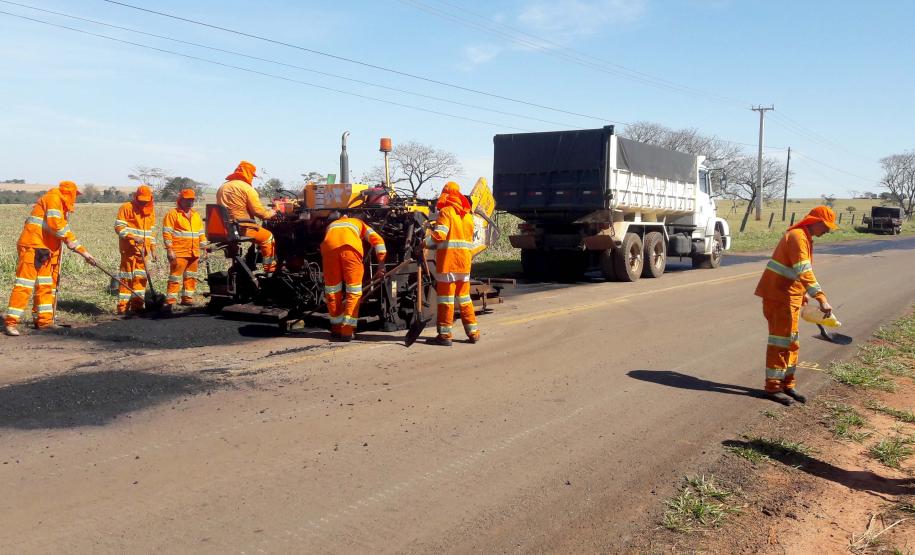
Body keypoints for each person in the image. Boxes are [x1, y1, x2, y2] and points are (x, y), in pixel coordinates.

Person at [754, 205, 837, 405]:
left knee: (791, 343)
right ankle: (772, 388)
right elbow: (803, 270)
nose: (826, 231)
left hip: (790, 297)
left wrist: (802, 295)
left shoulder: (805, 238)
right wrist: (821, 297)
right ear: (815, 222)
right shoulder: (798, 237)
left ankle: (787, 384)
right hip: (779, 298)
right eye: (825, 227)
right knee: (780, 343)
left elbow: (796, 272)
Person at [3, 181, 97, 335]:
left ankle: (44, 321)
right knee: (24, 285)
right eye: (75, 195)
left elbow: (63, 230)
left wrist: (83, 251)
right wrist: (75, 246)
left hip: (45, 249)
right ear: (69, 192)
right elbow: (56, 225)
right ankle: (11, 323)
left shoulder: (61, 205)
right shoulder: (53, 198)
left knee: (46, 285)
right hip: (33, 246)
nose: (75, 199)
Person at [425, 181, 480, 346]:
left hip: (448, 264)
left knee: (446, 300)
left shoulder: (446, 212)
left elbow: (439, 235)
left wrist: (424, 242)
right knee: (465, 299)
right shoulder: (468, 216)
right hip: (464, 265)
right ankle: (473, 333)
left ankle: (445, 335)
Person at [320, 213, 386, 341]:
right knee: (353, 291)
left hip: (329, 250)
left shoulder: (332, 225)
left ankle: (336, 329)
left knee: (332, 290)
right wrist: (381, 264)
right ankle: (347, 331)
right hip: (350, 250)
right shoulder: (359, 223)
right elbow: (378, 241)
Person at [215, 161, 277, 273]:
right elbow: (259, 212)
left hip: (225, 228)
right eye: (252, 175)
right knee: (268, 237)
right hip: (242, 227)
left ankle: (245, 264)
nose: (252, 178)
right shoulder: (247, 188)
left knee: (256, 238)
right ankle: (270, 270)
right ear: (248, 173)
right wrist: (271, 213)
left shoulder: (222, 187)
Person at [115, 185, 158, 314]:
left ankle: (137, 307)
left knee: (140, 279)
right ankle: (123, 308)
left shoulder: (151, 211)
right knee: (127, 279)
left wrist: (153, 249)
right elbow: (119, 228)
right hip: (129, 250)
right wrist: (133, 237)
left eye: (146, 200)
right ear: (136, 197)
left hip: (143, 252)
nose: (143, 202)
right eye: (141, 199)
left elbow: (151, 232)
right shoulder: (126, 208)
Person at [162, 188, 207, 308]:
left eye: (192, 199)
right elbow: (167, 233)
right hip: (179, 252)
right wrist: (169, 250)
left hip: (194, 252)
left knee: (191, 277)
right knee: (175, 277)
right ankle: (170, 302)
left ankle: (187, 299)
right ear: (180, 200)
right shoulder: (172, 214)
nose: (190, 202)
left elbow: (201, 233)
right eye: (187, 200)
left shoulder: (196, 215)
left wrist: (204, 248)